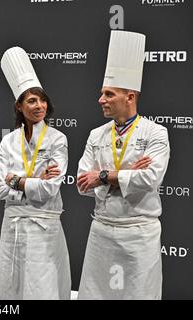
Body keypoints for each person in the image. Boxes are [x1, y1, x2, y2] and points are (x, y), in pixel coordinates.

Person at [76, 30, 170, 299]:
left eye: (109, 94)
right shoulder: (97, 134)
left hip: (139, 233)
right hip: (102, 230)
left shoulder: (155, 132)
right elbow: (83, 181)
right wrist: (126, 174)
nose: (101, 100)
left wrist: (104, 175)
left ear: (130, 97)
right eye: (102, 93)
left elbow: (151, 178)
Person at [0, 47, 71, 300]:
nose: (40, 106)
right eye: (32, 101)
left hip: (44, 226)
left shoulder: (58, 139)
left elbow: (50, 189)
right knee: (10, 288)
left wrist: (16, 181)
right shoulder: (8, 142)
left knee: (42, 287)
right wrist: (34, 182)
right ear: (19, 106)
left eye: (42, 100)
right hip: (12, 226)